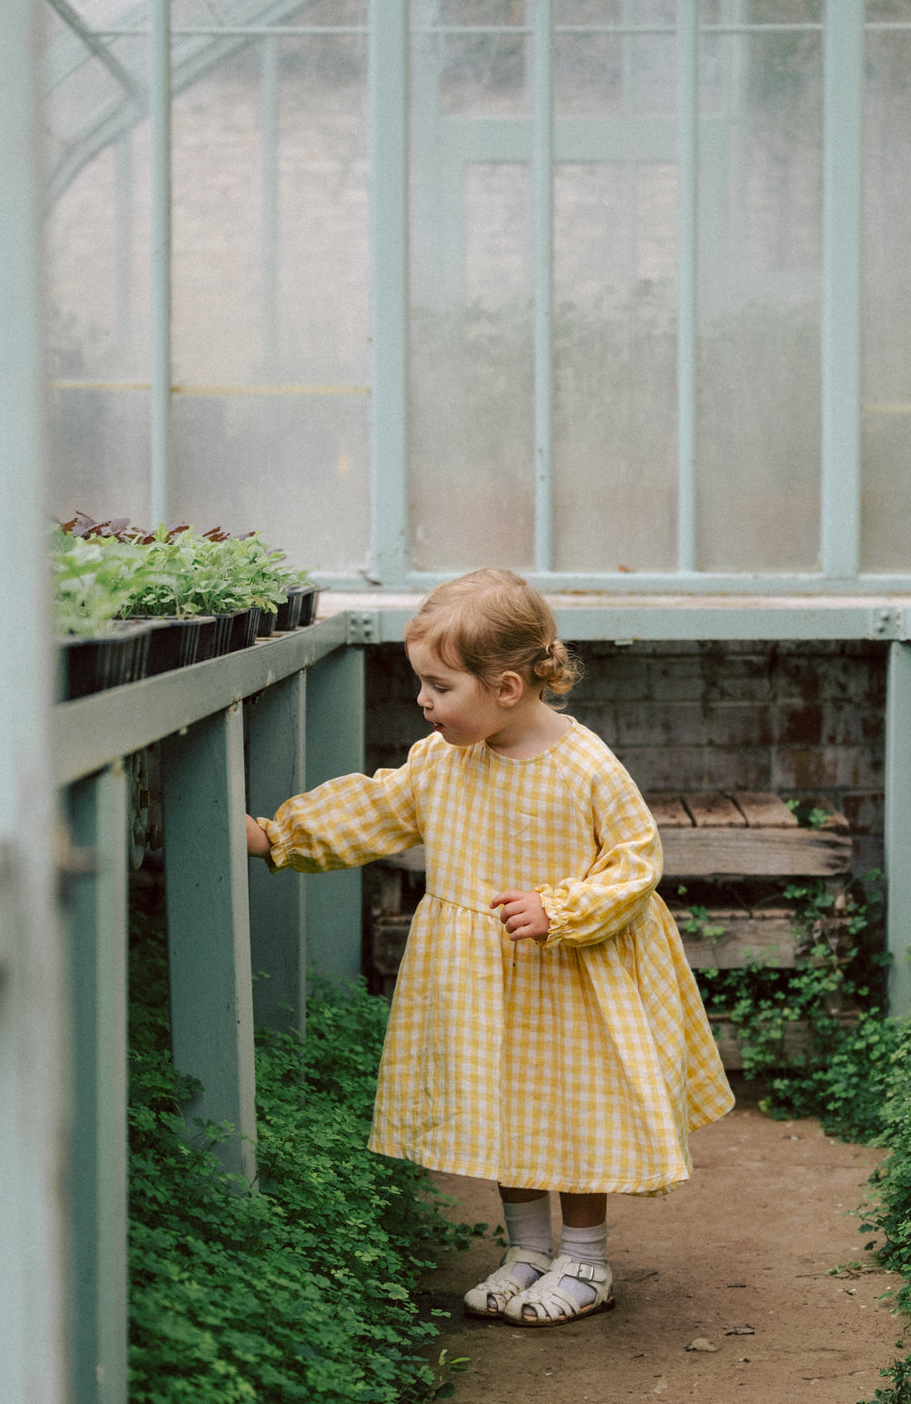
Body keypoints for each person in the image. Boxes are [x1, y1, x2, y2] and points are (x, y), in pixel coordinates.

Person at [246, 568, 733, 1327]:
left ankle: (585, 1258)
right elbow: (377, 806)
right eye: (422, 684)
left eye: (439, 685)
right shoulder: (442, 761)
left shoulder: (584, 765)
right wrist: (279, 835)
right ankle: (528, 1251)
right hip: (479, 982)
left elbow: (635, 861)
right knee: (501, 1106)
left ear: (507, 686)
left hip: (569, 978)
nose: (422, 700)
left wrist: (559, 906)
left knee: (575, 1111)